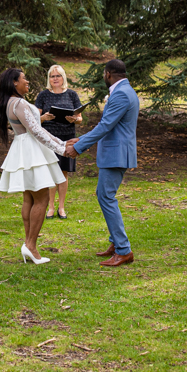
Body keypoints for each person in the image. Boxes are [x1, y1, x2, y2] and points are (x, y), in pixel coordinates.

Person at [65, 59, 139, 267]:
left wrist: (79, 147)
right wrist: (82, 139)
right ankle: (116, 244)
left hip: (116, 154)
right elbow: (108, 125)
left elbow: (106, 125)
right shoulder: (125, 90)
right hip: (116, 153)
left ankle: (123, 250)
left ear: (108, 74)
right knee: (103, 195)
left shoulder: (121, 93)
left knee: (106, 196)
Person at [0, 68, 73, 265]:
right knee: (41, 199)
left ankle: (28, 244)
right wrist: (61, 148)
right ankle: (31, 246)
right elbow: (37, 132)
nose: (27, 82)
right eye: (24, 79)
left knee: (29, 198)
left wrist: (62, 144)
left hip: (23, 148)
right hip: (30, 150)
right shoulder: (19, 103)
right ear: (14, 82)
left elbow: (35, 128)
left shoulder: (9, 102)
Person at [34, 64, 83, 220]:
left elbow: (80, 118)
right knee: (50, 172)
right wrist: (43, 118)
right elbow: (34, 119)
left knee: (63, 173)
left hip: (67, 137)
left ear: (63, 77)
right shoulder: (43, 95)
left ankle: (61, 208)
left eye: (58, 75)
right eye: (52, 76)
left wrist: (74, 119)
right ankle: (51, 207)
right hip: (48, 138)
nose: (55, 79)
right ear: (49, 78)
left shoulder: (72, 95)